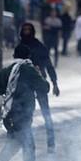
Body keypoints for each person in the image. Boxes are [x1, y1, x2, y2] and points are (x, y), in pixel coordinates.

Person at [0, 44, 54, 161]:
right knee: (28, 149)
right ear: (28, 56)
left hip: (9, 117)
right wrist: (39, 73)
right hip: (21, 118)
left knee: (11, 150)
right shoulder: (28, 69)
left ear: (14, 55)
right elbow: (45, 87)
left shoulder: (7, 71)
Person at [16, 22, 59, 153]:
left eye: (29, 30)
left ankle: (51, 144)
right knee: (25, 115)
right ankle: (27, 144)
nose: (26, 32)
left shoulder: (39, 46)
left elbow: (49, 65)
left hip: (39, 82)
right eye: (24, 30)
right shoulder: (19, 47)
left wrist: (55, 83)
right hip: (25, 86)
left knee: (46, 113)